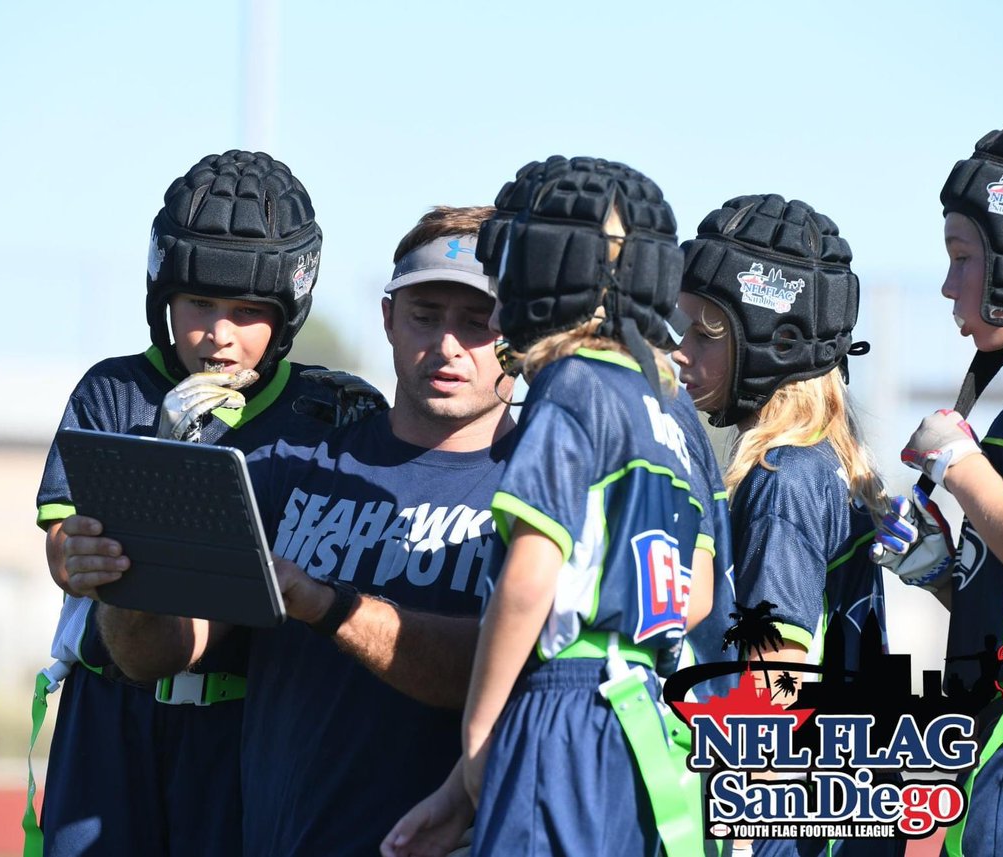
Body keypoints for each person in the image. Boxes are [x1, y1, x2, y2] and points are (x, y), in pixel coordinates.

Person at [65, 205, 517, 857]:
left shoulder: (546, 485)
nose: (447, 344)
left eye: (478, 321)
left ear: (523, 332)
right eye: (425, 315)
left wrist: (328, 604)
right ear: (388, 319)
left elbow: (498, 669)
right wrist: (128, 574)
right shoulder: (287, 467)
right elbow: (160, 652)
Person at [31, 150, 384, 857]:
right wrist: (84, 547)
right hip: (112, 719)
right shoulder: (114, 390)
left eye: (248, 310)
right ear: (164, 294)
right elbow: (62, 545)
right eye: (199, 303)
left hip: (251, 729)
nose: (220, 332)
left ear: (289, 310)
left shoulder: (327, 412)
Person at [386, 156, 715, 857]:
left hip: (561, 706)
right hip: (641, 718)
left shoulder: (570, 387)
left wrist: (479, 735)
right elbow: (697, 595)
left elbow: (531, 578)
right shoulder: (666, 408)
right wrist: (454, 793)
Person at [673, 193, 896, 857]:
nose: (681, 353)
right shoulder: (831, 465)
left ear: (774, 345)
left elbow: (777, 677)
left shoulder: (782, 478)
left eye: (703, 335)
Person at [892, 116, 1003, 857]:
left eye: (963, 257)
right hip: (1000, 750)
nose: (950, 284)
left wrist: (962, 465)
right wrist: (941, 569)